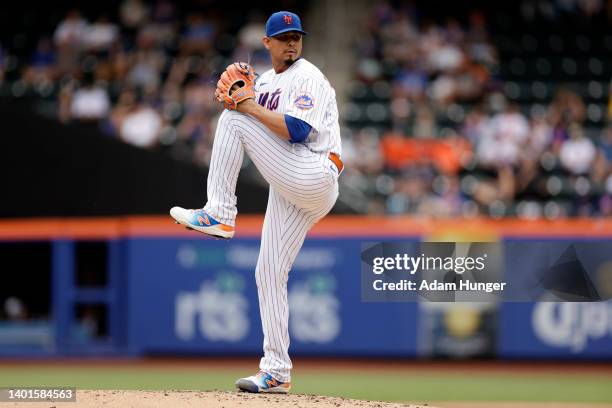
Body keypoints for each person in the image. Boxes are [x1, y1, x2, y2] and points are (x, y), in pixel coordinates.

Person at [169, 11, 342, 393]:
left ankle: (220, 212)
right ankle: (277, 371)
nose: (292, 42)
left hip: (314, 170)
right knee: (268, 272)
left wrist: (244, 106)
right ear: (267, 43)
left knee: (234, 120)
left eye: (296, 36)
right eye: (283, 37)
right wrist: (239, 98)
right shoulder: (264, 81)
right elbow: (250, 110)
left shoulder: (307, 76)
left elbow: (297, 131)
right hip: (291, 183)